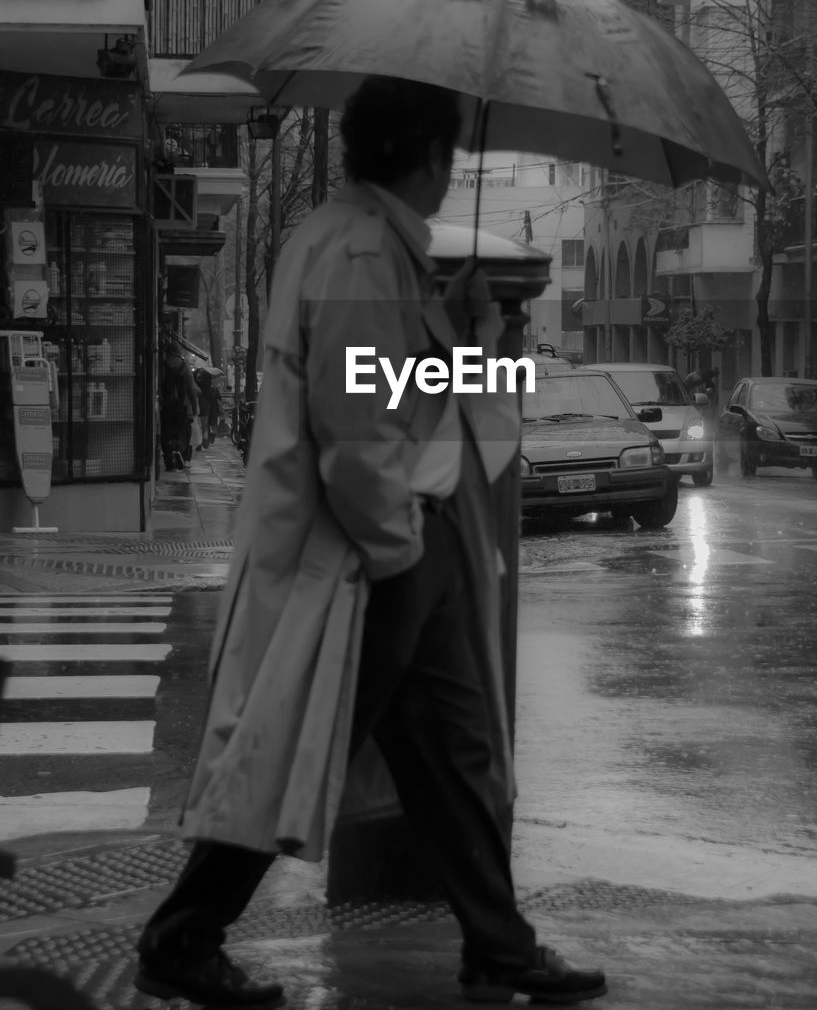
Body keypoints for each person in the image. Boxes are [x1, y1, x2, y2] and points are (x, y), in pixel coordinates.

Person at [134, 77, 608, 1008]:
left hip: (388, 547)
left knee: (454, 752)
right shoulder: (359, 253)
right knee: (292, 745)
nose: (453, 174)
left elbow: (398, 386)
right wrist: (397, 553)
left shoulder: (364, 243)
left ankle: (497, 943)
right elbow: (354, 424)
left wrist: (465, 327)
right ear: (427, 157)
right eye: (452, 156)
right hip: (366, 554)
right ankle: (182, 936)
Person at [160, 341, 200, 471]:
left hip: (166, 406)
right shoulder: (185, 367)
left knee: (166, 434)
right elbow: (191, 389)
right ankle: (179, 452)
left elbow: (159, 386)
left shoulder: (164, 366)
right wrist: (194, 407)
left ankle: (169, 461)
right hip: (182, 407)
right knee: (183, 432)